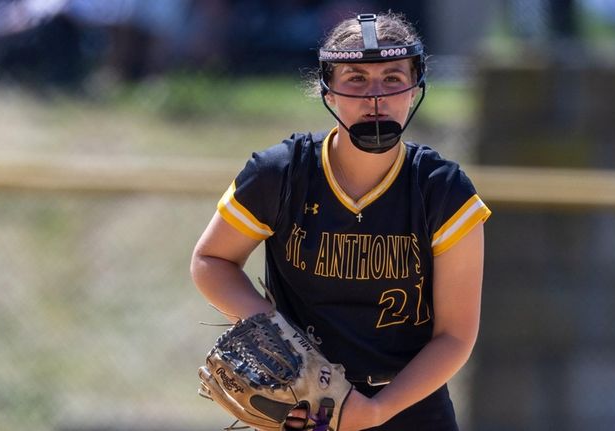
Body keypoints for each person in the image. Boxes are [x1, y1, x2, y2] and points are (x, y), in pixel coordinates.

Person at [190, 11, 491, 431]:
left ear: (415, 87)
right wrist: (278, 337)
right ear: (327, 91)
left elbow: (455, 337)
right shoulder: (282, 173)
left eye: (392, 78)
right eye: (355, 79)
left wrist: (376, 410)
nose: (375, 97)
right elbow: (211, 261)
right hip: (306, 407)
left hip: (409, 407)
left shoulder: (442, 190)